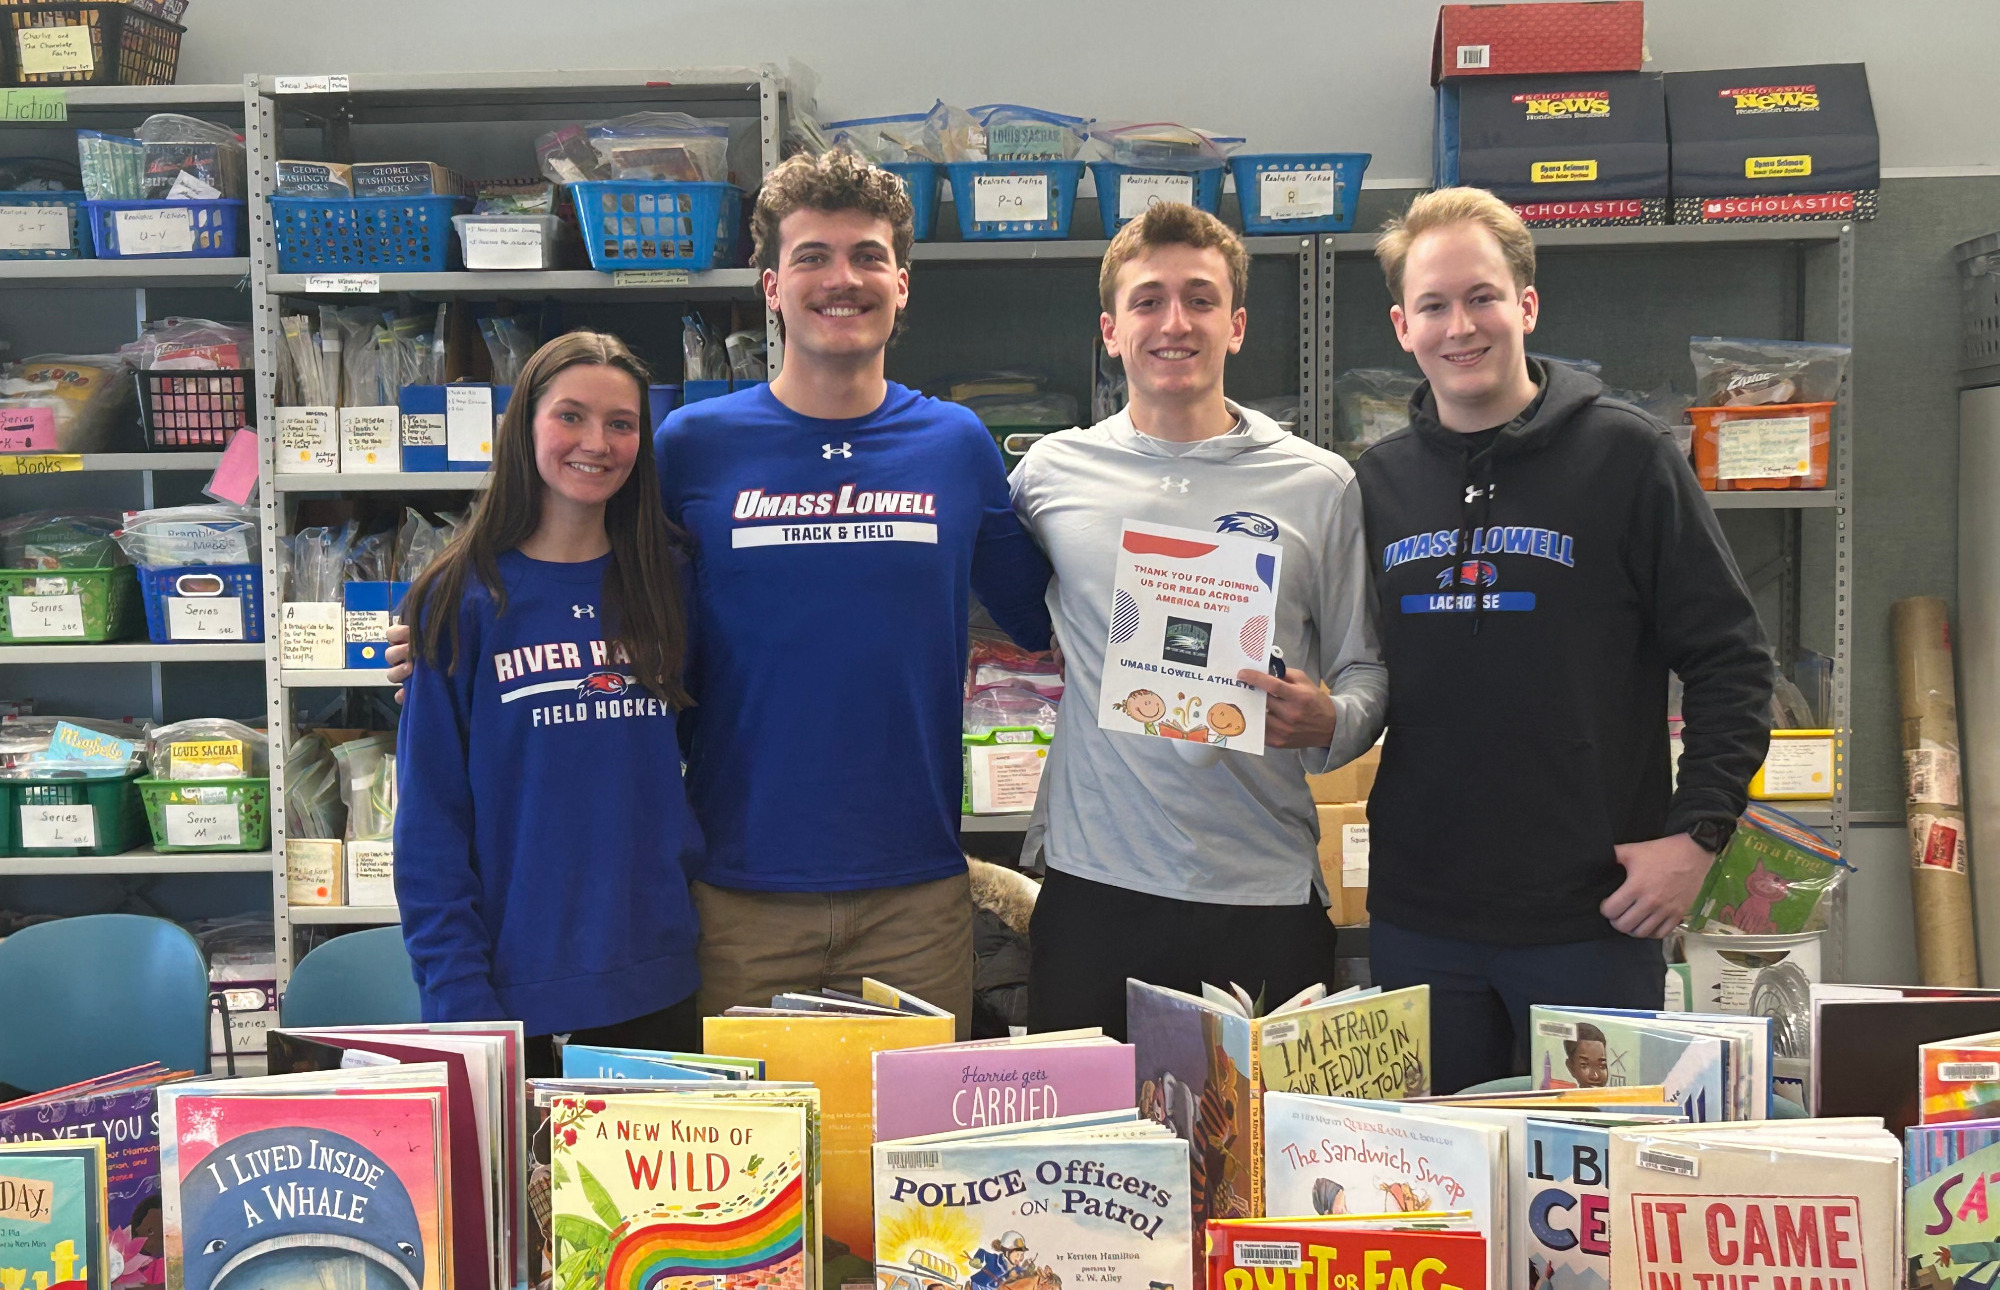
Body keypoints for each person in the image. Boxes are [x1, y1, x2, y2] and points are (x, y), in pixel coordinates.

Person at [392, 151, 1052, 1036]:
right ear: (773, 286)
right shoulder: (694, 444)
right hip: (734, 893)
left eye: (865, 256)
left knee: (905, 1157)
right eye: (813, 257)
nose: (841, 279)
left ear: (902, 282)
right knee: (741, 1163)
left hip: (916, 887)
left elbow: (1051, 619)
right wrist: (449, 652)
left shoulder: (956, 443)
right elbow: (586, 567)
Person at [1357, 187, 1774, 1093]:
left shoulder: (1628, 457)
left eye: (1482, 297)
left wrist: (1698, 834)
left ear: (1527, 305)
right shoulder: (1376, 484)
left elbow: (1731, 661)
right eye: (1433, 305)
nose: (1460, 326)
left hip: (1594, 918)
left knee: (1588, 1195)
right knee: (1434, 1186)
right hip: (1421, 915)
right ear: (1402, 325)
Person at [1009, 202, 1387, 1040]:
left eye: (1200, 299)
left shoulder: (1319, 485)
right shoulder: (1049, 474)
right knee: (1088, 1162)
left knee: (1252, 1162)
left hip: (1261, 893)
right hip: (1094, 887)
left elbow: (1367, 670)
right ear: (1112, 330)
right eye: (1148, 301)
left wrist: (1332, 721)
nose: (1174, 323)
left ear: (1237, 324)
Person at [394, 331, 704, 1077]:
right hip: (502, 995)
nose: (596, 442)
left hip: (656, 977)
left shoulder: (671, 581)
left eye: (621, 423)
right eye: (571, 416)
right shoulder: (459, 597)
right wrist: (458, 992)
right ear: (524, 424)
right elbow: (430, 823)